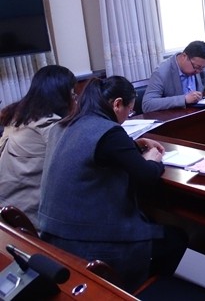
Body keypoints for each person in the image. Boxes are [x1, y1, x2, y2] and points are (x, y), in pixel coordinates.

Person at [39, 76, 187, 292]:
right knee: (176, 239)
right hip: (89, 241)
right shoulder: (109, 132)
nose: (128, 116)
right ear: (117, 104)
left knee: (152, 223)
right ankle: (137, 290)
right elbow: (147, 175)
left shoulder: (63, 125)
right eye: (130, 110)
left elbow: (94, 150)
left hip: (52, 234)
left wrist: (133, 145)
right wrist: (153, 160)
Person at [0, 65, 77, 229]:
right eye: (72, 94)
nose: (75, 100)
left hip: (7, 210)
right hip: (31, 219)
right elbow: (76, 166)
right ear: (61, 97)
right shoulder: (49, 127)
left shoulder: (16, 118)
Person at [142, 40, 205, 113]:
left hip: (198, 114)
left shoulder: (201, 66)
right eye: (196, 67)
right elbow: (147, 104)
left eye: (202, 68)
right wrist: (184, 99)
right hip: (174, 119)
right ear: (184, 56)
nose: (198, 71)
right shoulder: (161, 72)